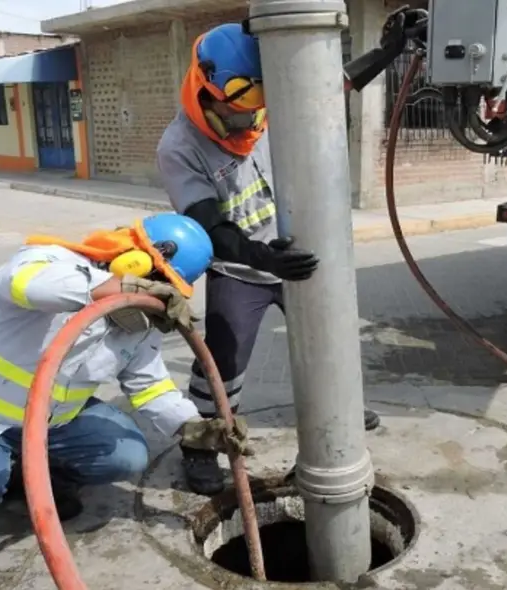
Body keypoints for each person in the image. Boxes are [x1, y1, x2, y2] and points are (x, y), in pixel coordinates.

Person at [0, 213, 252, 590]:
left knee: (127, 454)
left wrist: (195, 428)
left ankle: (29, 476)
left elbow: (151, 387)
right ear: (131, 260)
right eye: (156, 280)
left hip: (49, 424)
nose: (155, 294)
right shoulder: (51, 262)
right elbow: (27, 285)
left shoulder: (135, 322)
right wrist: (114, 288)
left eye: (166, 287)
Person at [156, 22, 381, 497]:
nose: (249, 124)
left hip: (296, 256)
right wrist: (261, 258)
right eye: (237, 115)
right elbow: (209, 226)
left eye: (255, 113)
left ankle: (337, 415)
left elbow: (332, 84)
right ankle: (201, 446)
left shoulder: (267, 104)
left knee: (331, 344)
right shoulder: (180, 146)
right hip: (241, 268)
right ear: (207, 88)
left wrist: (391, 49)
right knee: (224, 363)